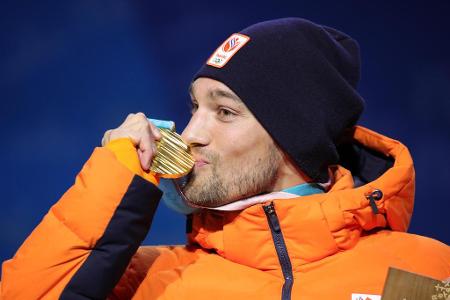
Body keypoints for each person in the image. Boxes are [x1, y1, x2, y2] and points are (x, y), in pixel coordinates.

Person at [1, 17, 449, 300]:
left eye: (225, 111)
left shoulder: (425, 275)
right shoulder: (142, 281)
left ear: (294, 137)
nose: (192, 133)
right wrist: (115, 174)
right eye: (195, 107)